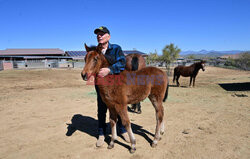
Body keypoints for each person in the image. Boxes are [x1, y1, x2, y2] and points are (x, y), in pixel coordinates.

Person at [93, 26, 130, 147]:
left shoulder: (116, 48)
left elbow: (122, 63)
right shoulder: (95, 51)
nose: (99, 36)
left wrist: (109, 70)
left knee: (118, 107)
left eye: (102, 34)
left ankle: (123, 131)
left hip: (116, 85)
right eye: (98, 34)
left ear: (108, 36)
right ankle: (101, 134)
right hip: (101, 85)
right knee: (102, 108)